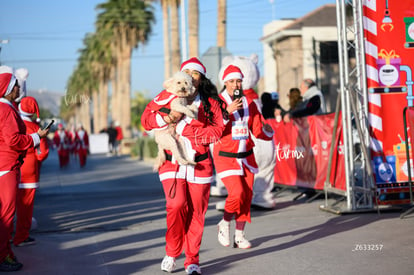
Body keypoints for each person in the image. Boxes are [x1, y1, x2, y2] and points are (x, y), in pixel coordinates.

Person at [141, 57, 227, 275]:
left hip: (200, 164)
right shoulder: (166, 96)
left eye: (195, 73)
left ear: (200, 79)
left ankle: (192, 261)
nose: (189, 75)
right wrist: (168, 118)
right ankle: (171, 253)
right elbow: (146, 119)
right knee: (177, 205)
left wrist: (187, 129)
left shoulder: (211, 103)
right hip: (172, 163)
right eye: (186, 71)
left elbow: (218, 131)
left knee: (197, 213)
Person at [213, 65, 274, 249]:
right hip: (226, 156)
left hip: (246, 156)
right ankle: (224, 223)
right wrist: (227, 112)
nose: (235, 84)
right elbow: (213, 129)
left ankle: (239, 235)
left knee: (246, 196)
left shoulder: (249, 102)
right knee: (236, 193)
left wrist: (267, 131)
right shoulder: (217, 102)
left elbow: (256, 129)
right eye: (231, 81)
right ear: (225, 82)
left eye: (238, 81)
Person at [0, 65, 49, 272]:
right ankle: (3, 257)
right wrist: (38, 136)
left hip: (5, 165)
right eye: (16, 86)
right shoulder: (7, 110)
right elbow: (13, 140)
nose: (19, 89)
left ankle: (6, 253)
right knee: (6, 216)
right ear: (9, 89)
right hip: (7, 167)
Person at [13, 96, 49, 247]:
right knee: (26, 207)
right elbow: (42, 153)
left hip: (12, 168)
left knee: (9, 207)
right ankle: (21, 237)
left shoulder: (13, 121)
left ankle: (6, 236)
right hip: (29, 172)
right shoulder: (35, 128)